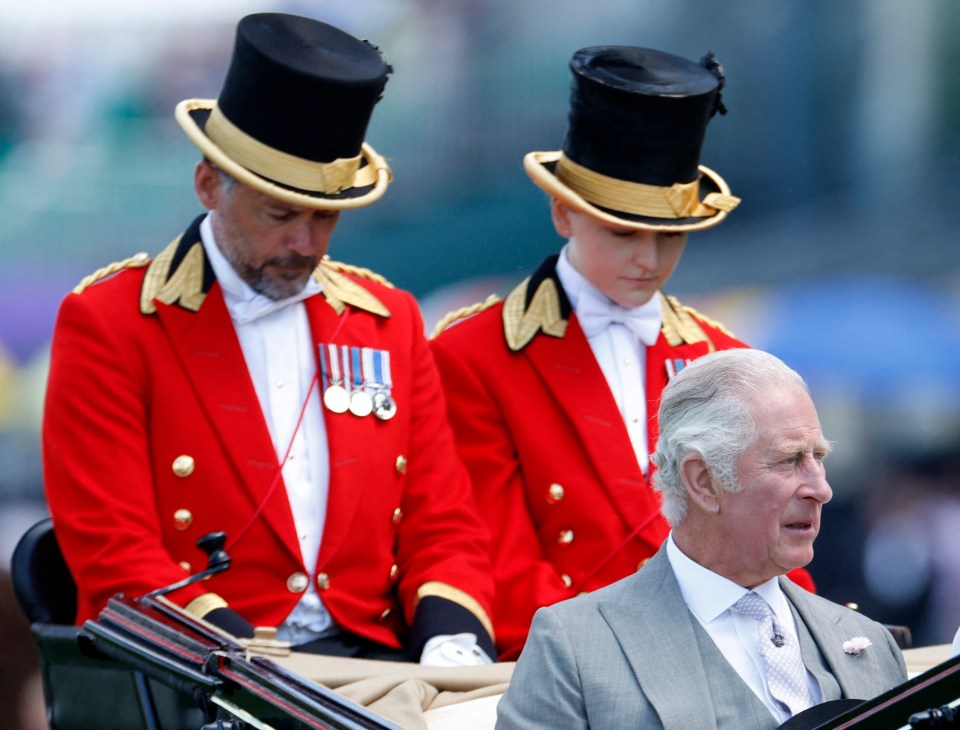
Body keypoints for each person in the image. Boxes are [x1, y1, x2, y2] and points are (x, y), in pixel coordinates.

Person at [42, 13, 496, 666]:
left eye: (324, 218)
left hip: (374, 663)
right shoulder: (111, 321)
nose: (306, 245)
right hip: (191, 663)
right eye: (280, 214)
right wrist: (238, 656)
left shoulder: (387, 320)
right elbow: (112, 546)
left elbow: (442, 519)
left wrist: (452, 636)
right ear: (208, 186)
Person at [430, 45, 813, 660]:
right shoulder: (472, 355)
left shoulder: (727, 357)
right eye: (622, 231)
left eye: (669, 237)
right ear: (562, 212)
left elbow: (774, 548)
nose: (649, 260)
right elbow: (486, 556)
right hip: (566, 669)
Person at [496, 349, 907, 729]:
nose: (821, 489)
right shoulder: (575, 648)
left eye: (818, 458)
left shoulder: (867, 640)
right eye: (788, 461)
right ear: (704, 481)